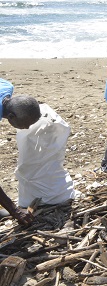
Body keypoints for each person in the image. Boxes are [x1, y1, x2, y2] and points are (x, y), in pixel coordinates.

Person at [0, 78, 41, 226]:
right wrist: (15, 211)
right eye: (26, 124)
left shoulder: (6, 86)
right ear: (11, 117)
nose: (27, 128)